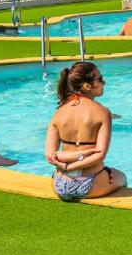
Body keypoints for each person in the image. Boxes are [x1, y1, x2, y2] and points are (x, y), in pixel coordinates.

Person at [44, 61, 126, 202]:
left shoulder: (59, 112)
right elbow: (99, 155)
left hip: (60, 184)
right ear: (87, 86)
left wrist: (66, 167)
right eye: (100, 79)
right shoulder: (102, 112)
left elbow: (50, 155)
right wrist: (74, 164)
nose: (104, 82)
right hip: (91, 183)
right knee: (121, 177)